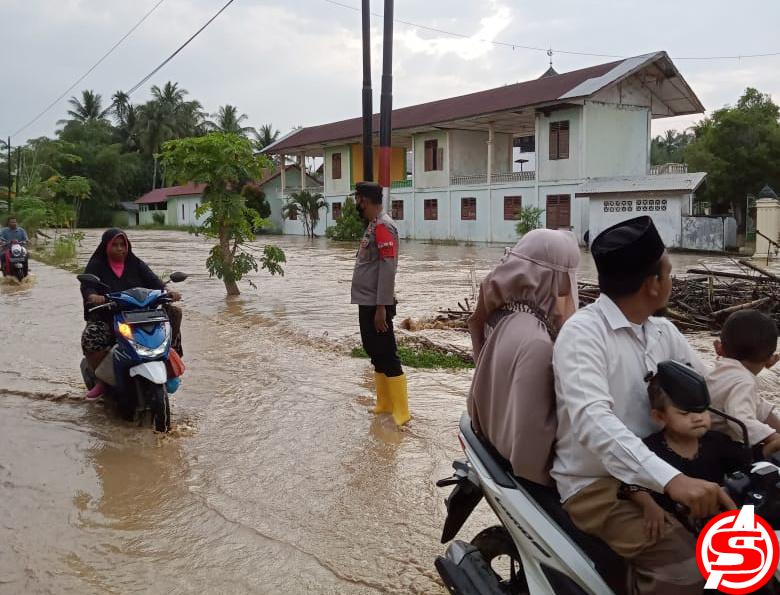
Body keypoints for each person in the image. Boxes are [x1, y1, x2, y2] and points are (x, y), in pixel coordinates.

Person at [552, 216, 735, 595]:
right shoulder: (583, 334)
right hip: (598, 484)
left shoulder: (662, 330)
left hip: (668, 465)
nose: (672, 280)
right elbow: (592, 421)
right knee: (687, 571)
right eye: (669, 271)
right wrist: (672, 481)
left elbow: (713, 394)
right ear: (653, 284)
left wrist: (768, 425)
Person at [467, 229, 579, 485]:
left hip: (491, 443)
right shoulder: (538, 344)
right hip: (526, 476)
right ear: (554, 281)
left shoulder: (502, 317)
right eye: (567, 282)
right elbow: (531, 452)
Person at [623, 375, 749, 541]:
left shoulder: (718, 442)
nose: (697, 417)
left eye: (702, 409)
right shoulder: (649, 450)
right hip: (677, 528)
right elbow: (631, 483)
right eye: (685, 412)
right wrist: (650, 506)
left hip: (721, 525)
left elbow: (746, 469)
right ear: (659, 416)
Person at [80, 229, 181, 400]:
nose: (120, 249)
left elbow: (154, 281)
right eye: (115, 245)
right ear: (106, 247)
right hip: (109, 315)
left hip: (140, 313)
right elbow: (87, 286)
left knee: (173, 313)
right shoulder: (97, 265)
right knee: (91, 337)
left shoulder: (135, 263)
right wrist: (93, 296)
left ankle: (171, 362)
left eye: (123, 245)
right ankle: (102, 379)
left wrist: (168, 292)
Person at [350, 181, 409, 427]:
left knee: (387, 354)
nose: (356, 204)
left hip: (377, 304)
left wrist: (382, 307)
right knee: (375, 352)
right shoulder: (374, 225)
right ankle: (384, 403)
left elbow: (387, 268)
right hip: (368, 301)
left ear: (364, 199)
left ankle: (402, 411)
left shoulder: (384, 226)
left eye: (357, 199)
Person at [708, 309, 780, 457]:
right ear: (769, 359)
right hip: (715, 448)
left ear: (719, 348)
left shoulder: (721, 369)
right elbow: (740, 419)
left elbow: (758, 407)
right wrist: (771, 437)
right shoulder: (743, 381)